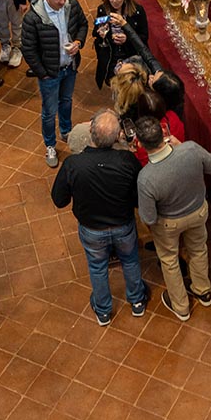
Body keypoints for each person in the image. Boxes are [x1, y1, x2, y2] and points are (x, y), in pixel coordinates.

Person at [51, 108, 150, 324]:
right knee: (130, 260)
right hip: (123, 225)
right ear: (117, 137)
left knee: (97, 267)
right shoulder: (126, 160)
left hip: (92, 229)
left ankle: (103, 310)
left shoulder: (73, 164)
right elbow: (139, 193)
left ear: (91, 132)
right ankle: (137, 301)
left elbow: (59, 200)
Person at [136, 116, 211, 321]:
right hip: (198, 212)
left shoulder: (146, 177)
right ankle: (203, 290)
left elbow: (148, 217)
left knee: (170, 261)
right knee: (198, 249)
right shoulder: (190, 149)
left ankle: (181, 307)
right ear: (163, 134)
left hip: (168, 223)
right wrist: (181, 146)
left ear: (140, 144)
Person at [21, 0, 88, 168]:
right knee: (49, 112)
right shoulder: (33, 18)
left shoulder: (71, 4)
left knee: (66, 101)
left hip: (70, 66)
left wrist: (78, 42)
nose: (62, 1)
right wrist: (42, 73)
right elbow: (28, 49)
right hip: (50, 73)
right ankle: (50, 145)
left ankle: (66, 131)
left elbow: (83, 24)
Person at [94, 0, 149, 88]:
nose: (114, 1)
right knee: (113, 84)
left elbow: (144, 36)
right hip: (111, 55)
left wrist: (127, 39)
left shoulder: (137, 11)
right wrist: (101, 33)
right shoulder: (102, 10)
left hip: (131, 55)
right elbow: (96, 31)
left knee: (131, 86)